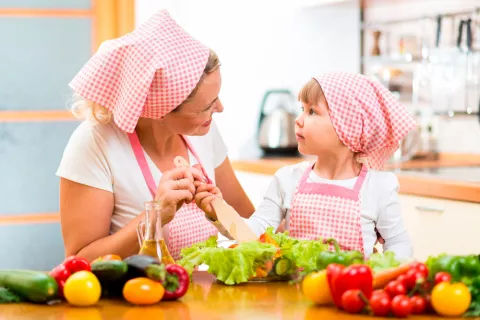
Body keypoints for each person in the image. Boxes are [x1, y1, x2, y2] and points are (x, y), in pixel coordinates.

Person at [56, 10, 254, 262]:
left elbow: (249, 226)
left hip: (203, 297)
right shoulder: (95, 143)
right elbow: (79, 261)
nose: (220, 109)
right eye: (207, 106)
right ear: (160, 111)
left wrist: (219, 212)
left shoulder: (203, 130)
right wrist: (155, 215)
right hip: (138, 296)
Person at [195, 72, 416, 260]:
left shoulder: (378, 187)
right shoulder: (287, 179)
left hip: (350, 296)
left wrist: (383, 271)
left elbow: (399, 244)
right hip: (296, 299)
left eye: (312, 111)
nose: (298, 119)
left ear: (347, 126)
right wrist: (219, 211)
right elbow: (253, 233)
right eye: (302, 108)